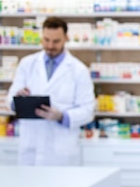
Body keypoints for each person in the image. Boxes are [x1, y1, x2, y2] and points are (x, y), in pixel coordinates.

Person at [6, 17, 95, 165]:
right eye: (46, 40)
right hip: (31, 146)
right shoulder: (27, 64)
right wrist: (18, 100)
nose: (50, 46)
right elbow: (10, 99)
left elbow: (88, 110)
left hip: (61, 151)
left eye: (56, 41)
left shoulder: (79, 70)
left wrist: (61, 116)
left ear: (66, 38)